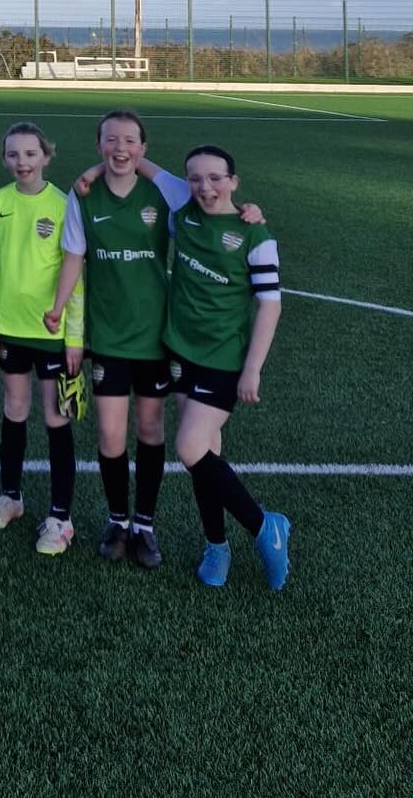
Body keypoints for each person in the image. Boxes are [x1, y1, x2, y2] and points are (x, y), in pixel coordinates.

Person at [58, 111, 264, 570]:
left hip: (157, 339)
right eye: (111, 140)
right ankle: (117, 520)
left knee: (150, 430)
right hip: (107, 335)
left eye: (130, 140)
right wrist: (59, 312)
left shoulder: (165, 197)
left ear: (143, 148)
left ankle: (145, 525)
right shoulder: (84, 197)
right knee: (110, 434)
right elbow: (73, 256)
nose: (120, 147)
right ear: (98, 145)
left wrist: (249, 213)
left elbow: (212, 207)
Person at [164, 145, 289, 590]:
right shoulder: (184, 211)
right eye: (195, 178)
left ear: (234, 181)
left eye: (216, 178)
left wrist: (252, 368)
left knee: (189, 446)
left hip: (223, 359)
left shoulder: (256, 235)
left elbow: (270, 305)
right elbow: (135, 161)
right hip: (179, 351)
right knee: (206, 455)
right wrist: (94, 171)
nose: (205, 186)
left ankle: (264, 526)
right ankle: (216, 546)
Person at [0, 122, 85, 556]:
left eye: (30, 154)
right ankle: (12, 497)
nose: (21, 162)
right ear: (4, 159)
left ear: (46, 156)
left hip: (52, 333)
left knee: (56, 418)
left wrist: (74, 336)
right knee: (14, 409)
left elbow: (75, 277)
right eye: (13, 155)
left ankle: (61, 518)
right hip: (9, 328)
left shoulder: (63, 205)